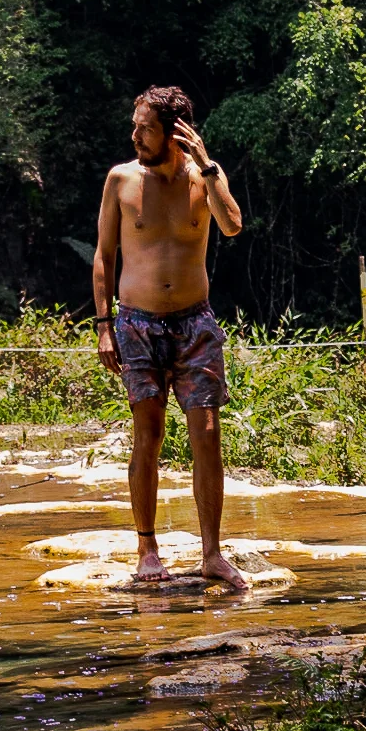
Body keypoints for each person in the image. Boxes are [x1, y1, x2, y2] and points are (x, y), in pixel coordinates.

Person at [93, 85, 248, 590]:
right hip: (136, 323)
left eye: (146, 128)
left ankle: (211, 553)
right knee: (150, 435)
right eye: (135, 126)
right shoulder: (121, 179)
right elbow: (104, 256)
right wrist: (102, 326)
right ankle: (147, 548)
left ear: (175, 134)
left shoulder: (206, 177)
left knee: (206, 435)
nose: (135, 135)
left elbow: (232, 227)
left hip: (194, 323)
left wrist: (208, 166)